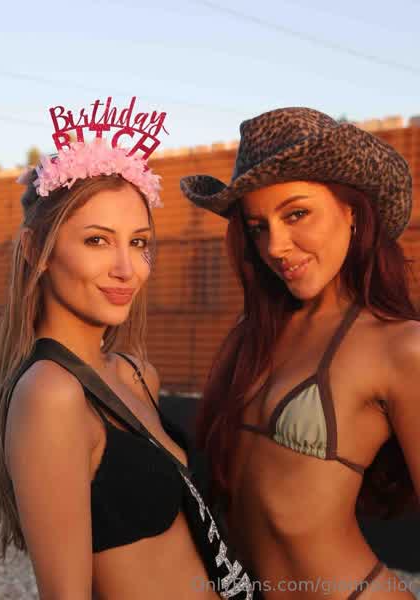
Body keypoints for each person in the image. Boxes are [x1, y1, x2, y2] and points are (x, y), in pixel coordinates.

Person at [0, 119, 259, 599]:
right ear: (36, 250)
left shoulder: (136, 373)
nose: (127, 269)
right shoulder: (51, 393)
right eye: (97, 240)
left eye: (138, 242)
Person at [180, 107, 420, 599]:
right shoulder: (252, 336)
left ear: (352, 211)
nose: (276, 246)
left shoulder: (400, 347)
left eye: (296, 214)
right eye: (258, 226)